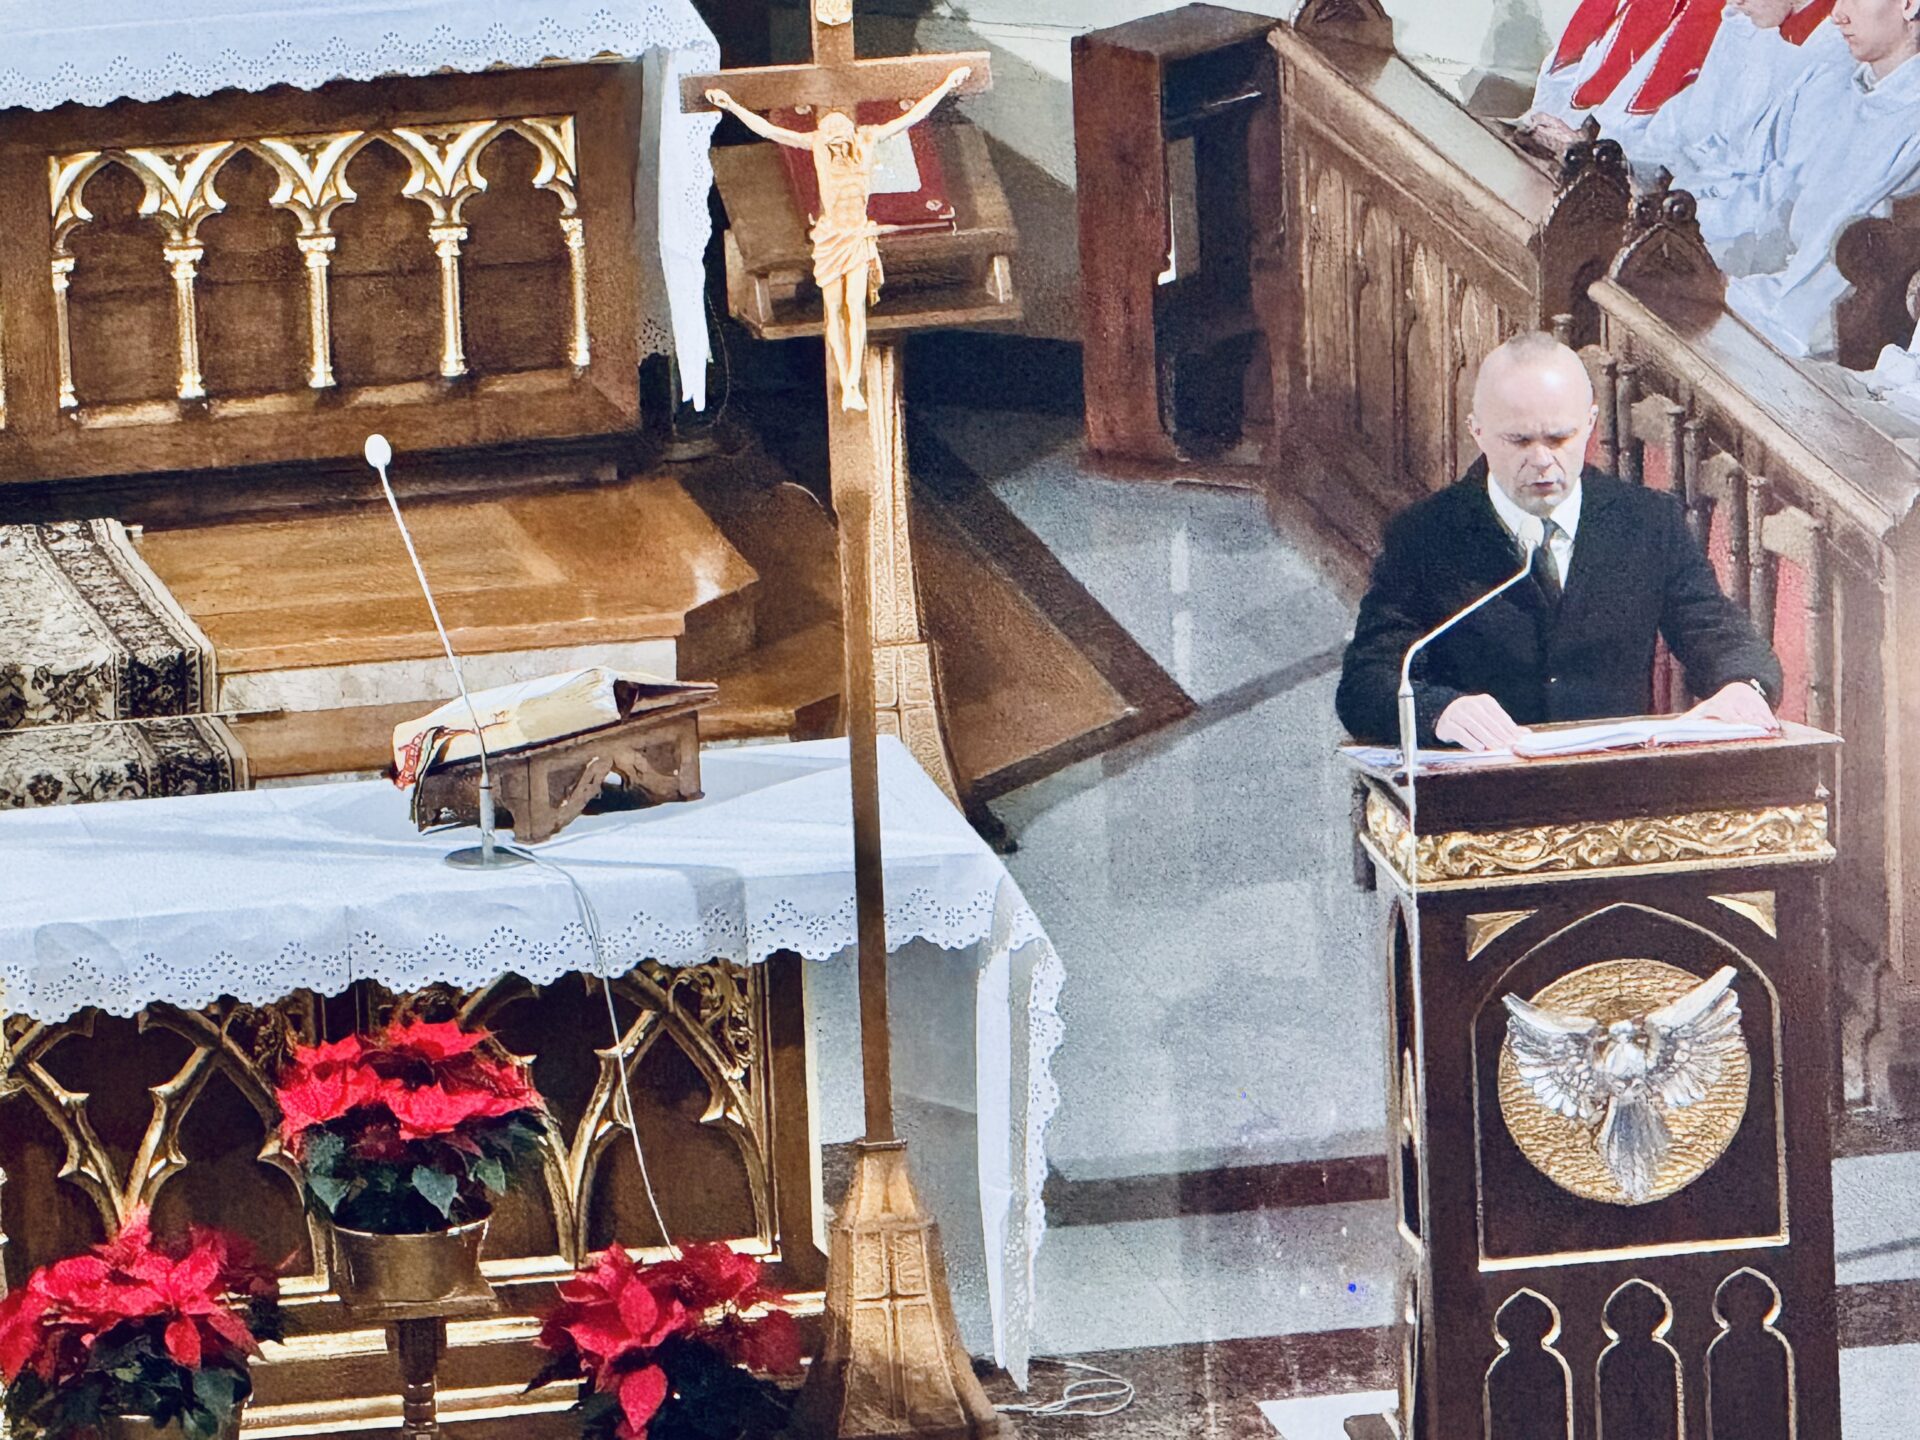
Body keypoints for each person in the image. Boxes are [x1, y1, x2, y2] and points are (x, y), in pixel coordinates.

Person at [1335, 333, 1781, 751]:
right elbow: (1365, 683)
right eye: (1519, 440)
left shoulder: (1647, 523)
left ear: (1589, 424)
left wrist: (1743, 686)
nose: (1542, 460)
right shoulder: (1426, 534)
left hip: (1612, 783)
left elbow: (1721, 635)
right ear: (1477, 432)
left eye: (1560, 438)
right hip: (1484, 782)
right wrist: (1439, 712)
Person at [705, 67, 970, 411]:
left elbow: (912, 117)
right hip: (830, 239)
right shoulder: (817, 146)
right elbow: (770, 130)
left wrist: (946, 84)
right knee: (832, 311)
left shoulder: (867, 141)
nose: (833, 134)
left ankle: (852, 382)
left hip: (857, 237)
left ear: (850, 130)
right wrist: (731, 105)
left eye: (838, 128)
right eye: (828, 130)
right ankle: (846, 381)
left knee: (855, 309)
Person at [1695, 0, 1920, 355]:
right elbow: (1772, 201)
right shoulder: (1841, 86)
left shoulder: (1911, 127)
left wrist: (1721, 288)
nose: (1837, 14)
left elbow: (1818, 303)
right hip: (1758, 298)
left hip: (1807, 344)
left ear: (1909, 5)